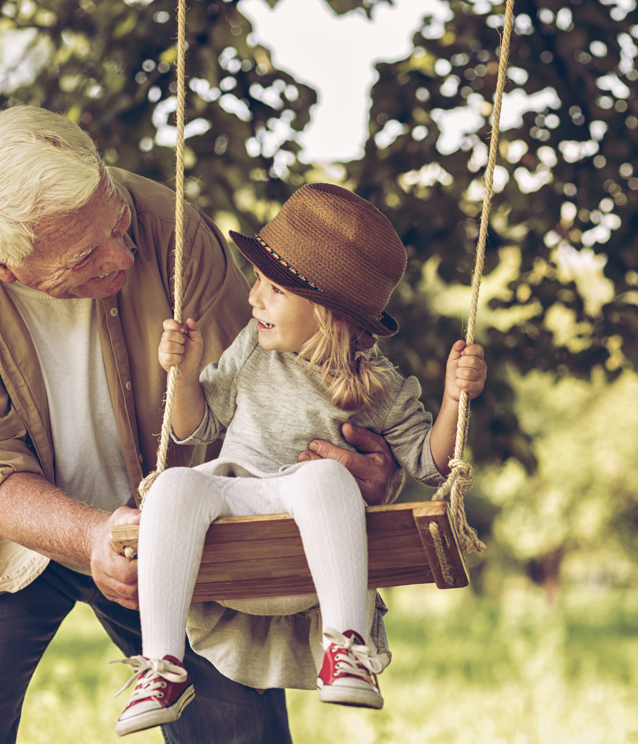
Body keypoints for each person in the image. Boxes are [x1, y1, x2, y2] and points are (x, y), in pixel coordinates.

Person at [0, 106, 401, 744]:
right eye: (84, 254)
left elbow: (269, 388)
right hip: (3, 528)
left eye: (118, 224)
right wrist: (93, 534)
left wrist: (348, 465)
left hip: (179, 509)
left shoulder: (171, 228)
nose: (122, 253)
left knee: (239, 735)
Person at [113, 183, 487, 736]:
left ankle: (346, 648)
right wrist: (185, 374)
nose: (253, 299)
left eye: (273, 289)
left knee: (323, 476)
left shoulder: (379, 385)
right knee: (171, 486)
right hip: (237, 505)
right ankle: (163, 666)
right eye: (258, 284)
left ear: (327, 310)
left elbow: (430, 464)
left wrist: (456, 401)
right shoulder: (252, 349)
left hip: (308, 544)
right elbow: (194, 429)